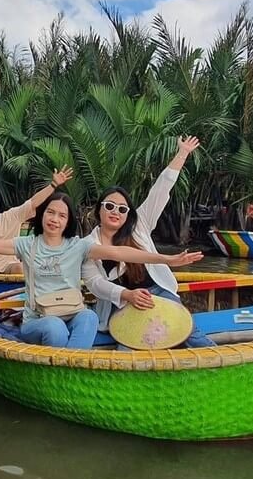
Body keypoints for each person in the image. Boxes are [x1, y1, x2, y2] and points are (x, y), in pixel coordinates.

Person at [0, 193, 204, 349]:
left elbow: (121, 252)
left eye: (62, 215)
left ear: (68, 221)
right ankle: (67, 368)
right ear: (43, 217)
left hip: (72, 315)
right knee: (52, 327)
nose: (55, 218)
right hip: (38, 320)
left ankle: (67, 367)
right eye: (51, 212)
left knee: (89, 315)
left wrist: (168, 260)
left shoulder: (79, 246)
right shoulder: (27, 245)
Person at [81, 136, 212, 347]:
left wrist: (182, 153)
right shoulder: (88, 245)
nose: (116, 212)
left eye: (122, 209)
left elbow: (161, 190)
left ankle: (219, 365)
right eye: (109, 206)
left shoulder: (139, 225)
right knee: (130, 345)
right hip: (123, 301)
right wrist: (127, 294)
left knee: (190, 334)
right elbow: (96, 284)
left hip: (158, 293)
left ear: (128, 214)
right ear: (99, 209)